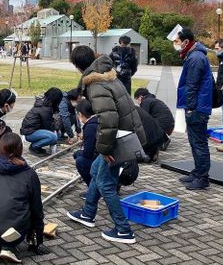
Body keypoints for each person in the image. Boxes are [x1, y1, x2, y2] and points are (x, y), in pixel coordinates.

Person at [66, 45, 145, 244]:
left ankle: (123, 229)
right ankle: (88, 213)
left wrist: (106, 149)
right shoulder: (107, 74)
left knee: (106, 183)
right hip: (124, 131)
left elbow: (108, 118)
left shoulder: (96, 84)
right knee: (95, 169)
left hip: (119, 137)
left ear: (77, 66)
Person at [0, 132, 47, 263]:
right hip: (13, 230)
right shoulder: (29, 174)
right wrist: (37, 241)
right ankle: (9, 246)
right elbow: (36, 209)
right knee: (23, 210)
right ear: (20, 149)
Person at [174, 28, 213, 190]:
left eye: (177, 42)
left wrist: (190, 108)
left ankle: (203, 177)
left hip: (197, 107)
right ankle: (197, 172)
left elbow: (192, 86)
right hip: (196, 106)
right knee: (195, 142)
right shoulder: (193, 55)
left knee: (199, 143)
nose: (175, 45)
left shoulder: (195, 57)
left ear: (186, 41)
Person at [20, 88, 63, 155]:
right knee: (53, 137)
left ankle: (37, 145)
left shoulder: (46, 104)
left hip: (35, 129)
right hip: (29, 133)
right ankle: (34, 146)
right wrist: (56, 124)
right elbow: (49, 126)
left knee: (58, 134)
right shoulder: (46, 108)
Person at [73, 100, 98, 186]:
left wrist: (78, 153)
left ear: (81, 114)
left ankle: (93, 187)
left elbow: (88, 152)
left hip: (101, 158)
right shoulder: (97, 120)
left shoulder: (90, 127)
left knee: (80, 160)